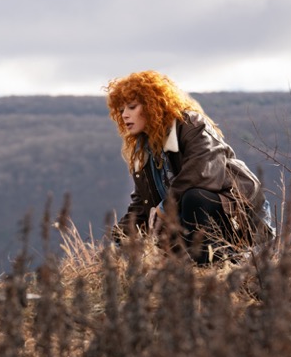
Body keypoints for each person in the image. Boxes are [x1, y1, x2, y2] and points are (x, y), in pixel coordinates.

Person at [106, 70, 274, 264]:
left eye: (132, 107)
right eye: (121, 110)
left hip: (237, 216)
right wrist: (118, 240)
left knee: (194, 197)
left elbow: (201, 174)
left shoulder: (191, 125)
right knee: (170, 218)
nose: (124, 115)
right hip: (191, 223)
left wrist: (163, 207)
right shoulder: (145, 151)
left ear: (153, 104)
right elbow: (142, 205)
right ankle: (201, 265)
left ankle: (219, 263)